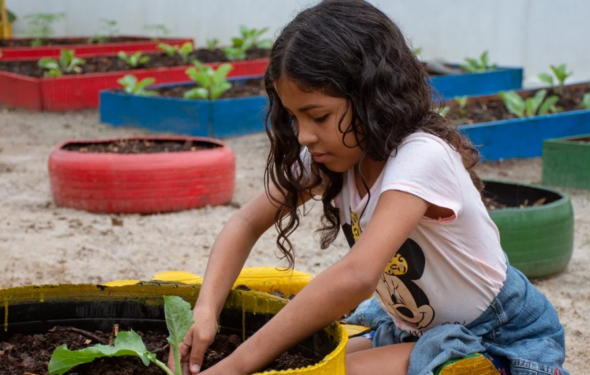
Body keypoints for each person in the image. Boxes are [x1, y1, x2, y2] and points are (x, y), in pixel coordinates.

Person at [175, 1, 569, 374]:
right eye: (294, 118)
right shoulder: (333, 159)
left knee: (316, 370)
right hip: (415, 329)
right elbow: (245, 223)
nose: (305, 136)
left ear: (372, 97)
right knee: (297, 359)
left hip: (498, 335)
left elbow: (357, 276)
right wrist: (206, 311)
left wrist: (239, 364)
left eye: (319, 116)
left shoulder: (421, 157)